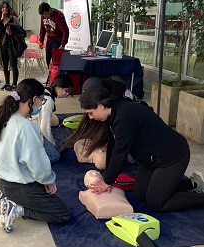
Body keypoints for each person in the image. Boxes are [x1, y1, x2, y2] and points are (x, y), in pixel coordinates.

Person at [65, 87, 204, 212]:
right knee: (141, 194)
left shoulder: (124, 116)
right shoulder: (112, 115)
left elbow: (120, 153)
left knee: (156, 203)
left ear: (100, 106)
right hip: (151, 158)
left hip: (172, 156)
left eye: (90, 113)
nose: (90, 117)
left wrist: (107, 182)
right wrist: (107, 177)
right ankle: (192, 184)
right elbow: (113, 147)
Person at [0, 78, 71, 233]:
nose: (41, 104)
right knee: (63, 213)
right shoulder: (26, 127)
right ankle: (17, 209)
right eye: (41, 100)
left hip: (3, 180)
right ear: (33, 99)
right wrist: (48, 180)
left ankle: (4, 196)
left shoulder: (4, 118)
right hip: (20, 186)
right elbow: (37, 163)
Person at [31, 74, 74, 163]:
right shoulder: (48, 100)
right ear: (59, 88)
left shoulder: (46, 91)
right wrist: (52, 143)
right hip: (33, 130)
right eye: (66, 90)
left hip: (31, 123)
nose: (67, 93)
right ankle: (33, 161)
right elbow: (44, 128)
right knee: (55, 155)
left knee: (55, 120)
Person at [0, 1, 26, 91]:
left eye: (6, 7)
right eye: (3, 7)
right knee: (5, 64)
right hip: (2, 44)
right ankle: (7, 83)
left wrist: (11, 32)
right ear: (0, 9)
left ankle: (15, 84)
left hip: (12, 45)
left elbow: (19, 30)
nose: (5, 9)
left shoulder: (13, 19)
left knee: (13, 64)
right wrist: (2, 19)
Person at [38, 2, 69, 67]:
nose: (45, 16)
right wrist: (41, 40)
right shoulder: (43, 16)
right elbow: (42, 28)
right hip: (49, 40)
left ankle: (56, 76)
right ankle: (50, 75)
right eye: (43, 15)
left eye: (46, 14)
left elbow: (65, 31)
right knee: (48, 60)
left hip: (58, 41)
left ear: (50, 9)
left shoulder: (59, 16)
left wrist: (63, 44)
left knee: (56, 62)